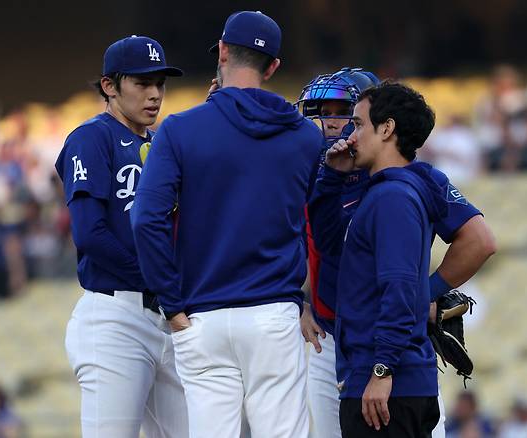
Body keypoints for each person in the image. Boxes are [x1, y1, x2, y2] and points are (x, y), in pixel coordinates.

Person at [131, 10, 323, 438]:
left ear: (221, 51)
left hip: (202, 314)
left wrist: (171, 303)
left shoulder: (179, 130)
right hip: (273, 310)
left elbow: (146, 220)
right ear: (273, 67)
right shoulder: (305, 136)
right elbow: (315, 224)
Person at [298, 69, 496, 438]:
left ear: (383, 127)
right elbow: (315, 243)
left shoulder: (406, 184)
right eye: (319, 109)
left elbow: (479, 241)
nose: (328, 123)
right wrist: (302, 301)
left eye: (344, 113)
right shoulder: (323, 173)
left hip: (388, 348)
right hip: (335, 340)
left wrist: (425, 295)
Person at [54, 35, 187, 438]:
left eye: (160, 83)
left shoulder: (161, 143)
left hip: (165, 317)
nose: (154, 94)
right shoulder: (92, 137)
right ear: (109, 86)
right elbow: (90, 234)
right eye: (142, 83)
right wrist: (160, 284)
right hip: (116, 318)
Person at [315, 81, 445, 437]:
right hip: (384, 380)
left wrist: (382, 369)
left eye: (357, 124)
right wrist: (331, 178)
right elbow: (330, 245)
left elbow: (400, 288)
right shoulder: (387, 193)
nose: (349, 135)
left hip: (387, 385)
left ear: (386, 129)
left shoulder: (392, 198)